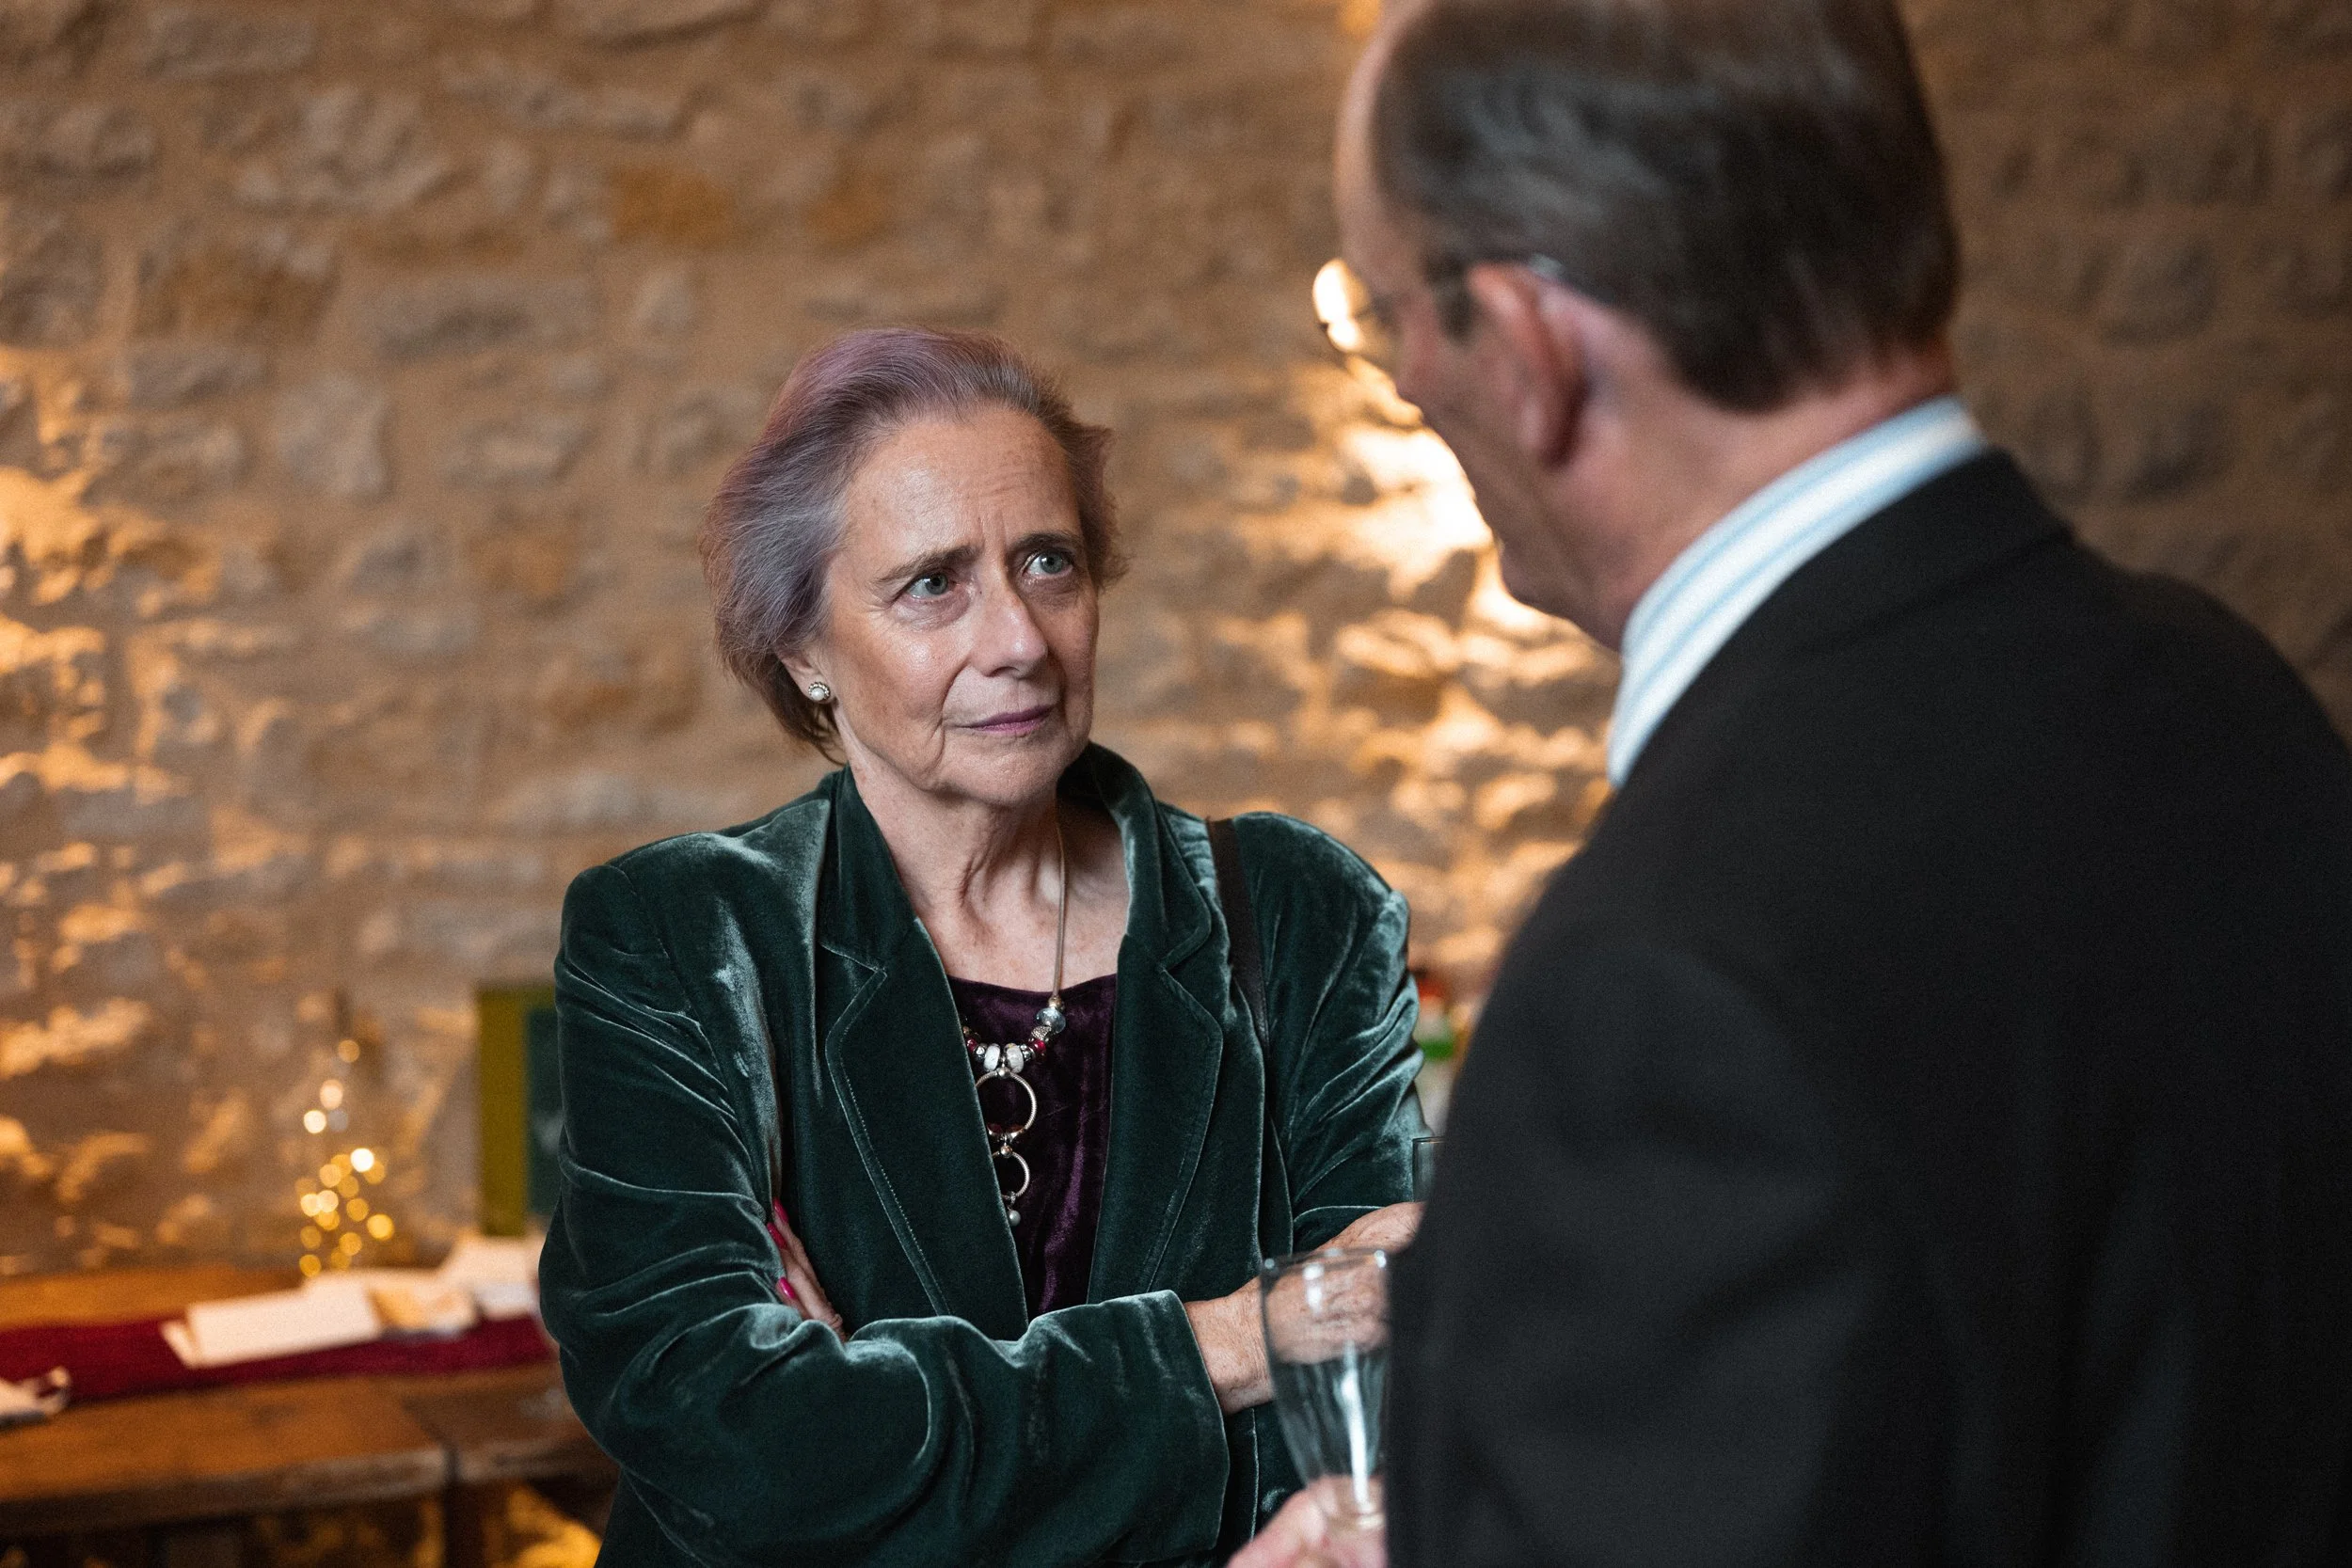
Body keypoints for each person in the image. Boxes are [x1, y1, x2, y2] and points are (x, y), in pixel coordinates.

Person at [1243, 0, 2352, 1563]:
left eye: (1389, 313)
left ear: (1532, 346)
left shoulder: (1661, 986)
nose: (1409, 377)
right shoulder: (2228, 693)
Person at [540, 326, 1425, 1567]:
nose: (1017, 636)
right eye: (933, 583)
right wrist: (1241, 1340)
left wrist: (884, 1417)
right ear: (805, 650)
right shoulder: (685, 939)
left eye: (1049, 562)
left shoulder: (1295, 912)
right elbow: (738, 1442)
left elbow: (1389, 1383)